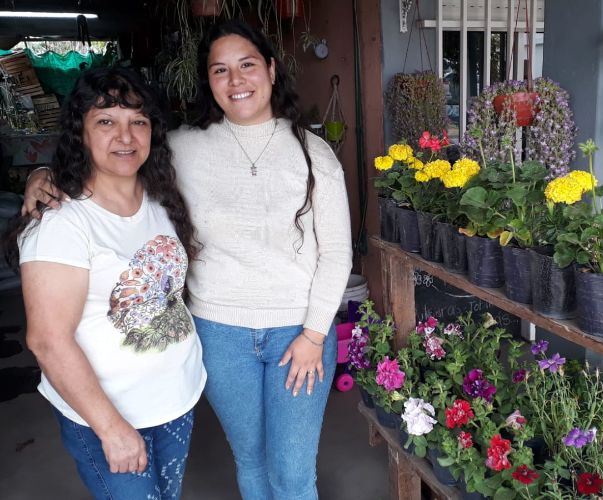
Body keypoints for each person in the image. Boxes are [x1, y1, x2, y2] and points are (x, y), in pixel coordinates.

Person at [24, 19, 353, 500]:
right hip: (218, 334)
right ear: (210, 82)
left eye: (247, 66)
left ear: (272, 69)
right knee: (251, 462)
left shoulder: (313, 153)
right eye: (221, 70)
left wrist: (315, 333)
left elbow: (338, 252)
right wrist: (42, 173)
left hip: (299, 334)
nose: (236, 81)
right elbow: (113, 157)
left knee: (293, 471)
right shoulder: (180, 147)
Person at [7, 67, 206, 498]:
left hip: (175, 400)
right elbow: (47, 340)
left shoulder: (160, 199)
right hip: (107, 415)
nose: (125, 136)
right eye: (105, 121)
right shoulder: (61, 221)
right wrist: (112, 428)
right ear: (80, 132)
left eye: (138, 121)